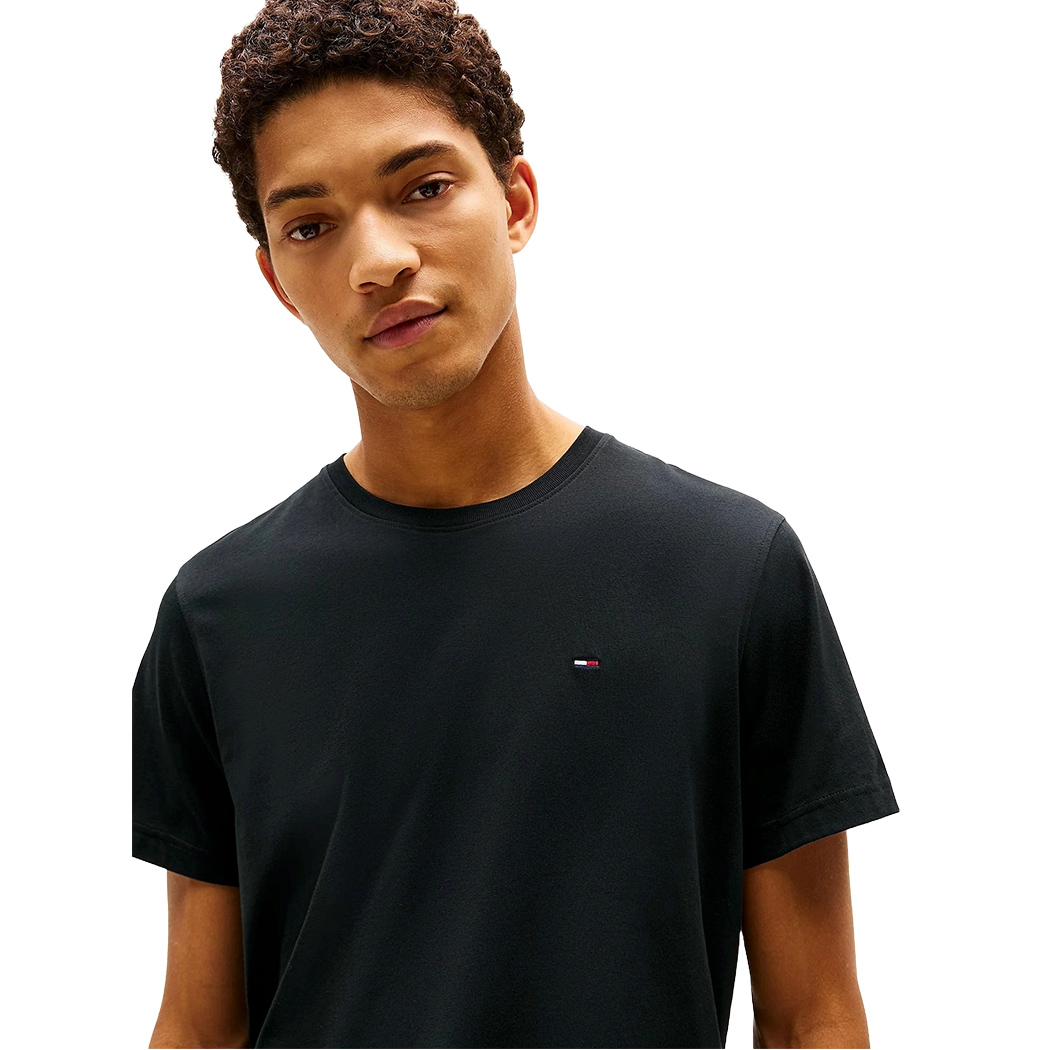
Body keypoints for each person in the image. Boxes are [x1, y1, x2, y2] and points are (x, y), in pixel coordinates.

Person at [131, 2, 900, 1046]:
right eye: (310, 225)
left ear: (517, 201)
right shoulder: (219, 615)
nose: (378, 260)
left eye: (424, 188)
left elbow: (813, 1019)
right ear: (278, 281)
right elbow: (198, 1029)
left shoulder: (729, 572)